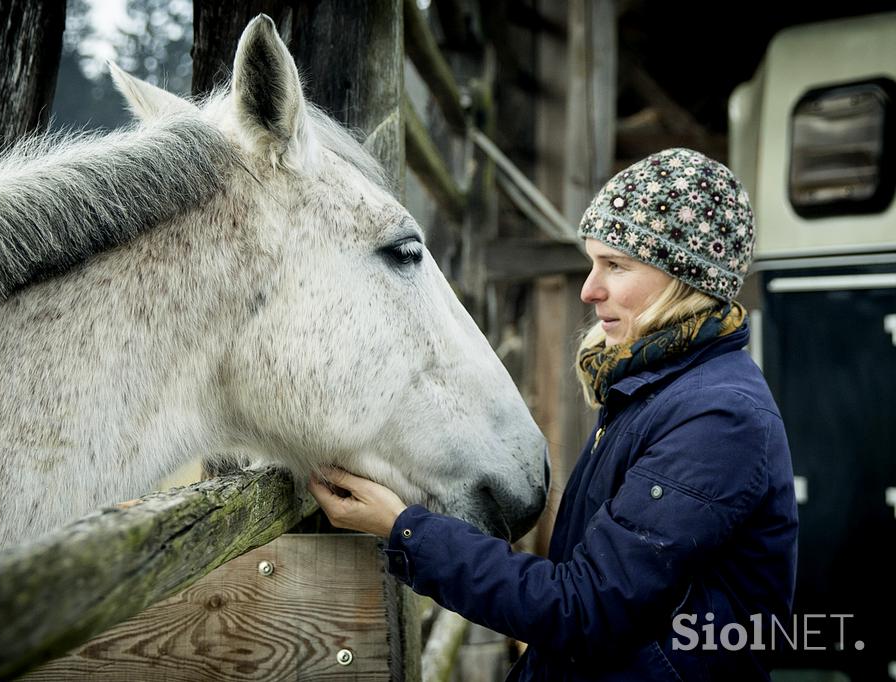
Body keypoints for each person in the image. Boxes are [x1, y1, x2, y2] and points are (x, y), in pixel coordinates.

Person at [308, 148, 798, 681]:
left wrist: (403, 529)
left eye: (616, 264)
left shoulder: (717, 419)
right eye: (593, 262)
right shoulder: (654, 386)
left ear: (680, 278)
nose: (590, 289)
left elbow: (585, 610)